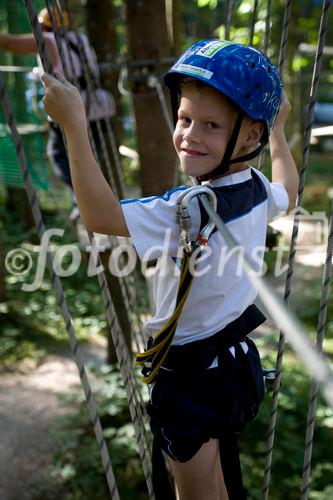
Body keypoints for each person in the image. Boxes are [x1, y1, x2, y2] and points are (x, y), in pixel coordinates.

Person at [41, 39, 299, 500]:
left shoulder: (189, 207)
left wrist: (74, 127)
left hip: (190, 375)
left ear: (248, 136)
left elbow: (100, 214)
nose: (190, 135)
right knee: (215, 483)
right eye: (184, 119)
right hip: (233, 365)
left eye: (212, 125)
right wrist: (278, 129)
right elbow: (290, 191)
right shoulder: (256, 189)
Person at [0, 7, 115, 194]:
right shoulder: (80, 39)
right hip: (96, 105)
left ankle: (85, 200)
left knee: (60, 155)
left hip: (72, 107)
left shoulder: (49, 41)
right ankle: (93, 199)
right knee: (90, 158)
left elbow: (11, 44)